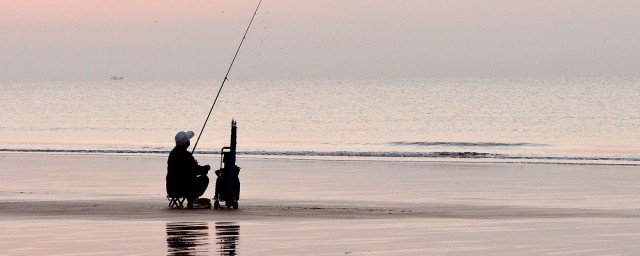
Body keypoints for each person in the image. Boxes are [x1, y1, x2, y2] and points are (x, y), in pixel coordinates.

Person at [166, 130, 211, 208]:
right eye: (188, 140)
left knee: (189, 178)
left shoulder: (172, 154)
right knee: (204, 179)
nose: (189, 141)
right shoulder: (187, 156)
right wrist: (205, 168)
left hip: (171, 188)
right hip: (185, 189)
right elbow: (196, 170)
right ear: (185, 143)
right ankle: (192, 199)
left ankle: (192, 199)